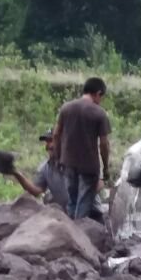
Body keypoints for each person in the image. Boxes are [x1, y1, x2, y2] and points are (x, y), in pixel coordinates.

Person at [55, 77, 112, 220]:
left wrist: (58, 157)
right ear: (98, 93)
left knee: (72, 200)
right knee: (84, 203)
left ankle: (69, 232)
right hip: (89, 165)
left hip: (68, 162)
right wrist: (105, 168)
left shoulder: (66, 108)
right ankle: (80, 234)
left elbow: (56, 134)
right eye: (101, 97)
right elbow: (104, 144)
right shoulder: (99, 113)